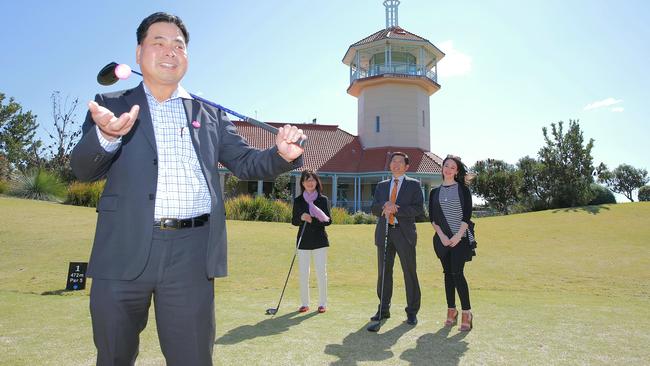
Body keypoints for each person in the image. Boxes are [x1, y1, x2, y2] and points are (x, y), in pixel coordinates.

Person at [70, 12, 305, 365]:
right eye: (158, 43)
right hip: (122, 248)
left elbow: (246, 162)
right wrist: (106, 135)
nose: (169, 51)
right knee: (114, 355)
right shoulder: (110, 106)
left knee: (193, 358)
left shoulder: (209, 113)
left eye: (178, 45)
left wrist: (281, 155)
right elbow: (83, 170)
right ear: (138, 53)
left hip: (191, 255)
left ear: (187, 57)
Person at [370, 152, 424, 326]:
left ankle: (412, 312)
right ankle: (383, 309)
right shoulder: (381, 185)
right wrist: (384, 206)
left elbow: (418, 210)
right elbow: (374, 208)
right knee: (384, 273)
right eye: (394, 161)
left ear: (407, 167)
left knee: (409, 272)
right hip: (384, 233)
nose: (396, 164)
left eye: (400, 162)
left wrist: (396, 210)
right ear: (390, 165)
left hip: (404, 234)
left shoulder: (414, 185)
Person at [428, 155, 476, 331]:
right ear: (442, 169)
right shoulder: (434, 192)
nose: (448, 169)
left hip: (460, 239)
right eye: (446, 166)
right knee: (447, 274)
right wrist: (442, 236)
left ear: (456, 172)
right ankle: (451, 311)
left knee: (457, 273)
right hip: (442, 240)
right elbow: (432, 219)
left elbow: (466, 216)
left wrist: (457, 236)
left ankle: (466, 312)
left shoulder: (462, 190)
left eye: (452, 167)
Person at [291, 169, 331, 313]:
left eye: (312, 180)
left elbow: (328, 221)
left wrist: (312, 219)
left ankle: (322, 303)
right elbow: (294, 221)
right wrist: (301, 217)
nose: (310, 182)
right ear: (302, 183)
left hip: (320, 241)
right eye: (307, 180)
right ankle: (305, 303)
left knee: (321, 272)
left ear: (316, 182)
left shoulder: (323, 199)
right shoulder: (298, 200)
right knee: (303, 273)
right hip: (303, 241)